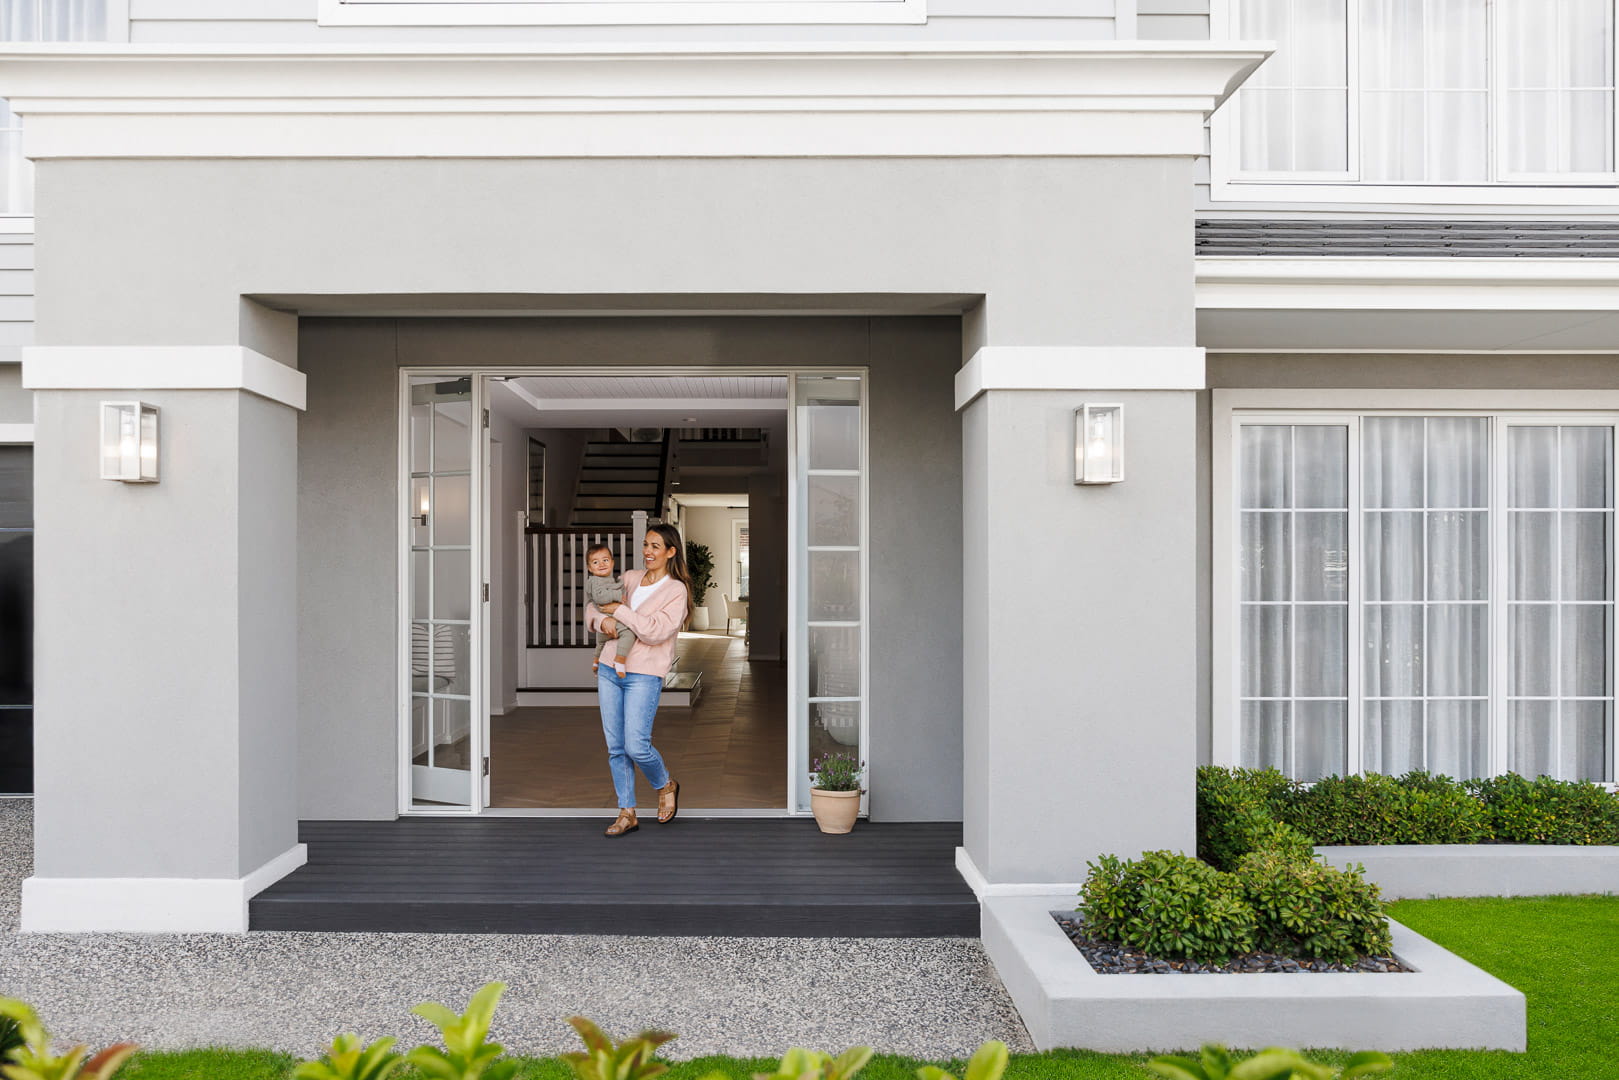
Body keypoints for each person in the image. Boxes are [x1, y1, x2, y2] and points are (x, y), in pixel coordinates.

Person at [586, 523, 691, 837]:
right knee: (616, 747)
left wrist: (620, 611)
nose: (648, 551)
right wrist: (604, 619)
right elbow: (593, 605)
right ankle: (626, 811)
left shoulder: (676, 590)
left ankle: (665, 784)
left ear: (671, 552)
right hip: (609, 668)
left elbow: (655, 631)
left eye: (656, 546)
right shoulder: (629, 578)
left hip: (644, 675)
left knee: (636, 745)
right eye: (646, 545)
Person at [583, 543, 636, 676]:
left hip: (607, 621)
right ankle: (620, 659)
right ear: (589, 568)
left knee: (601, 643)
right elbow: (600, 597)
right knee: (629, 633)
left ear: (612, 563)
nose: (601, 564)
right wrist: (618, 595)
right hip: (608, 619)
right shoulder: (595, 581)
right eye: (596, 562)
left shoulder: (610, 580)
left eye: (605, 560)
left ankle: (596, 662)